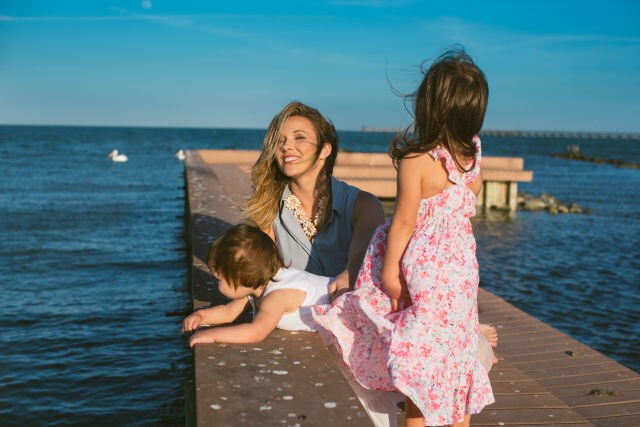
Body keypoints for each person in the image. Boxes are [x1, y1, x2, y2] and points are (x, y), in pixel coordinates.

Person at [311, 48, 495, 427]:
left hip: (425, 272)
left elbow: (404, 223)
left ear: (428, 107)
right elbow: (466, 205)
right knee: (456, 362)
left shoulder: (417, 162)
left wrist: (390, 271)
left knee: (420, 374)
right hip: (461, 278)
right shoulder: (474, 160)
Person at [243, 101, 386, 299]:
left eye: (299, 137)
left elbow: (361, 264)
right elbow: (256, 277)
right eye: (280, 141)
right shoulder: (267, 211)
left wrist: (350, 273)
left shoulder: (364, 206)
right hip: (290, 320)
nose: (286, 146)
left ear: (325, 150)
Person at [183, 224, 336, 346]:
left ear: (242, 278)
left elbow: (256, 332)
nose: (217, 284)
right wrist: (201, 316)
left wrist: (212, 335)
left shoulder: (276, 297)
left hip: (342, 307)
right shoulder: (258, 284)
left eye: (219, 279)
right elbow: (229, 311)